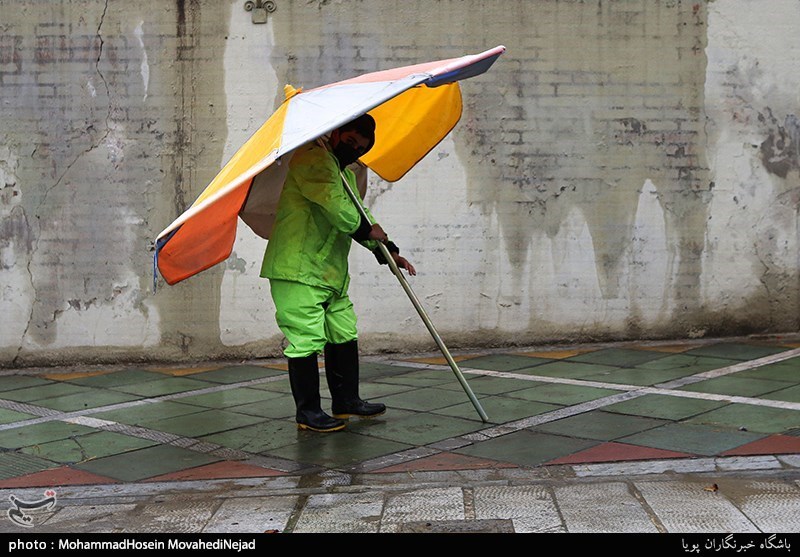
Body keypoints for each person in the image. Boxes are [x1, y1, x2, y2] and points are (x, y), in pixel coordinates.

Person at [260, 114, 416, 432]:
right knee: (305, 340)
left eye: (360, 148)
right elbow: (338, 208)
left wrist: (388, 251)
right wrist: (368, 232)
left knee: (343, 332)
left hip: (330, 272)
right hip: (298, 270)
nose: (354, 151)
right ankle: (308, 412)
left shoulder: (340, 170)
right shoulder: (312, 160)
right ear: (336, 134)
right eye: (350, 143)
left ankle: (347, 401)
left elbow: (360, 212)